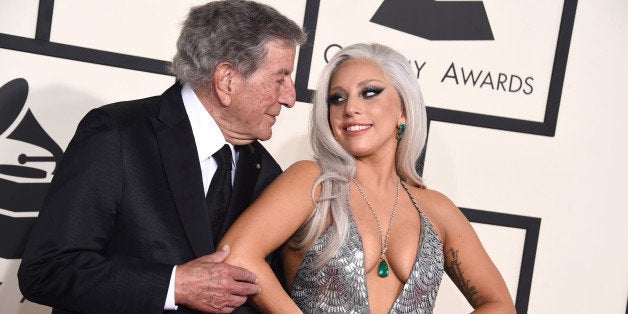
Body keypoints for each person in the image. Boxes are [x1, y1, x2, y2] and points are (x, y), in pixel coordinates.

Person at [17, 1, 306, 313]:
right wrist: (175, 285)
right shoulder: (117, 134)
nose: (290, 98)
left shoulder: (266, 171)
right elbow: (47, 270)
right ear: (227, 80)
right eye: (280, 78)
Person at [218, 43, 516, 313]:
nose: (351, 108)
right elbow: (238, 255)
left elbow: (499, 303)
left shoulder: (437, 210)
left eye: (369, 92)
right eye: (337, 98)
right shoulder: (313, 182)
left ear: (403, 109)